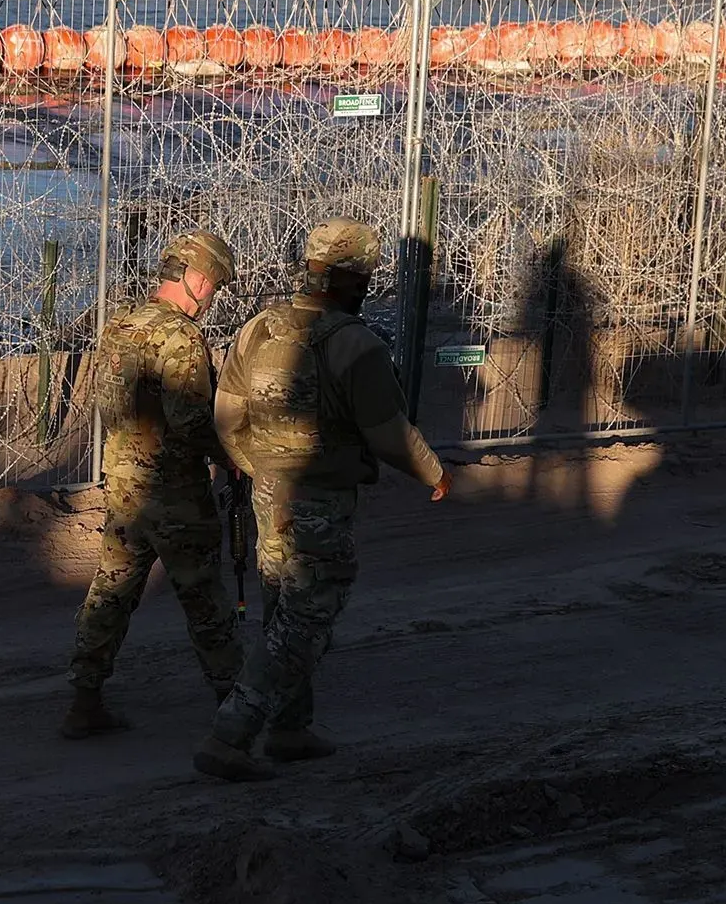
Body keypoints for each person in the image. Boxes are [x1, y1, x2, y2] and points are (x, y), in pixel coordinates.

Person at [194, 219, 454, 783]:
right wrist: (433, 473)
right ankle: (230, 734)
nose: (368, 285)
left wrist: (256, 467)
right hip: (320, 502)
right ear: (352, 279)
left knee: (281, 607)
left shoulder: (257, 330)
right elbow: (389, 432)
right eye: (365, 277)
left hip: (267, 493)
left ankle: (290, 728)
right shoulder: (357, 345)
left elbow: (227, 417)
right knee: (307, 618)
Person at [60, 230, 244, 738]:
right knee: (205, 599)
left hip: (124, 485)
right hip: (174, 491)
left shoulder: (120, 325)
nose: (211, 298)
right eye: (214, 287)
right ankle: (237, 707)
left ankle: (84, 699)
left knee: (111, 591)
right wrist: (234, 458)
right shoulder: (182, 338)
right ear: (198, 280)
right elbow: (192, 422)